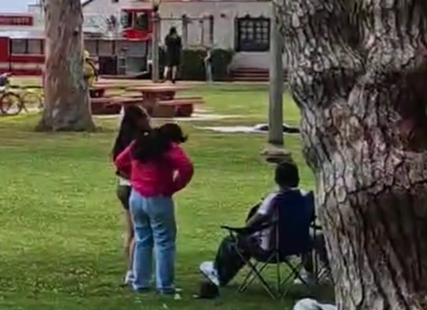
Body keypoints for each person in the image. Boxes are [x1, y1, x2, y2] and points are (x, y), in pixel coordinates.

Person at [198, 161, 326, 295]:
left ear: (277, 180)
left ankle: (219, 274)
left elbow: (252, 223)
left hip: (271, 250)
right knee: (245, 244)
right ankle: (309, 274)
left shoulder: (275, 199)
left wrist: (245, 228)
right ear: (298, 179)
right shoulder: (306, 198)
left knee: (231, 242)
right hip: (298, 246)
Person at [114, 123, 195, 294]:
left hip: (136, 196)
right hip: (158, 196)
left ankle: (140, 282)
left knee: (142, 238)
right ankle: (165, 285)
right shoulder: (168, 147)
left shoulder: (138, 143)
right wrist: (174, 186)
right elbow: (186, 167)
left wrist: (135, 174)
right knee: (164, 241)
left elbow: (120, 161)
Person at [111, 105, 153, 286]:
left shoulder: (121, 140)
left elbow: (118, 162)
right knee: (141, 233)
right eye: (145, 116)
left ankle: (130, 270)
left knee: (131, 232)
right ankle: (135, 271)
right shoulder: (140, 142)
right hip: (135, 187)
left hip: (123, 186)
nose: (149, 119)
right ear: (138, 120)